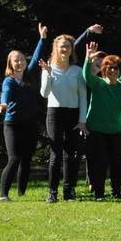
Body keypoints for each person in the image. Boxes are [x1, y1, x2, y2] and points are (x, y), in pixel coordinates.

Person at [83, 42, 121, 200]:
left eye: (116, 68)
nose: (112, 70)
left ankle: (116, 191)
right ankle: (99, 193)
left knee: (117, 163)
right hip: (96, 130)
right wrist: (88, 59)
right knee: (99, 163)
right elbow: (86, 76)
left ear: (119, 71)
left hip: (116, 131)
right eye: (109, 67)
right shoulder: (98, 84)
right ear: (104, 69)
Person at [0, 23, 47, 202]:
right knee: (14, 158)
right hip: (12, 124)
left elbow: (36, 57)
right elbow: (6, 95)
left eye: (21, 59)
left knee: (26, 159)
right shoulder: (9, 81)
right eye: (16, 60)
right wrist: (3, 105)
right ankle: (4, 195)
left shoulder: (30, 75)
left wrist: (42, 39)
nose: (20, 62)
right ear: (11, 64)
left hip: (29, 123)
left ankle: (21, 193)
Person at [40, 33, 88, 202]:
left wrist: (82, 120)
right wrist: (47, 74)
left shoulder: (77, 70)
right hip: (54, 113)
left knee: (72, 155)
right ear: (56, 48)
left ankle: (69, 191)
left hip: (74, 115)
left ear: (71, 49)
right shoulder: (49, 68)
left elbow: (83, 96)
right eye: (62, 46)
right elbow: (44, 93)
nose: (65, 49)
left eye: (68, 46)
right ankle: (52, 193)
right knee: (56, 155)